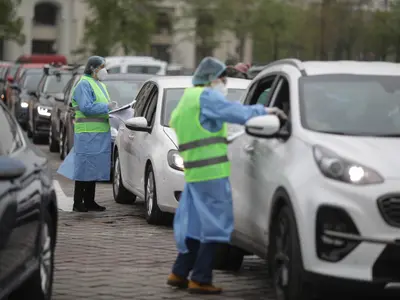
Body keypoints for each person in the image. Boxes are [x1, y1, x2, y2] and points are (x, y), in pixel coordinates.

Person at [166, 57, 286, 294]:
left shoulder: (187, 99)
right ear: (212, 78)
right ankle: (200, 278)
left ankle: (179, 272)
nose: (224, 83)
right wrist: (266, 110)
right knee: (216, 226)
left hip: (194, 174)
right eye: (222, 77)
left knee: (194, 226)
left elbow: (194, 130)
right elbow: (234, 112)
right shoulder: (207, 96)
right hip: (212, 174)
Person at [57, 56, 117, 212]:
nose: (104, 70)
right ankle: (78, 202)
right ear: (93, 68)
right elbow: (86, 107)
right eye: (102, 67)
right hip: (87, 133)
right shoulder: (84, 84)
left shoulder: (99, 85)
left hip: (98, 133)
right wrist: (107, 107)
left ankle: (90, 201)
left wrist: (113, 109)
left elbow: (101, 106)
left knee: (93, 168)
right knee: (84, 168)